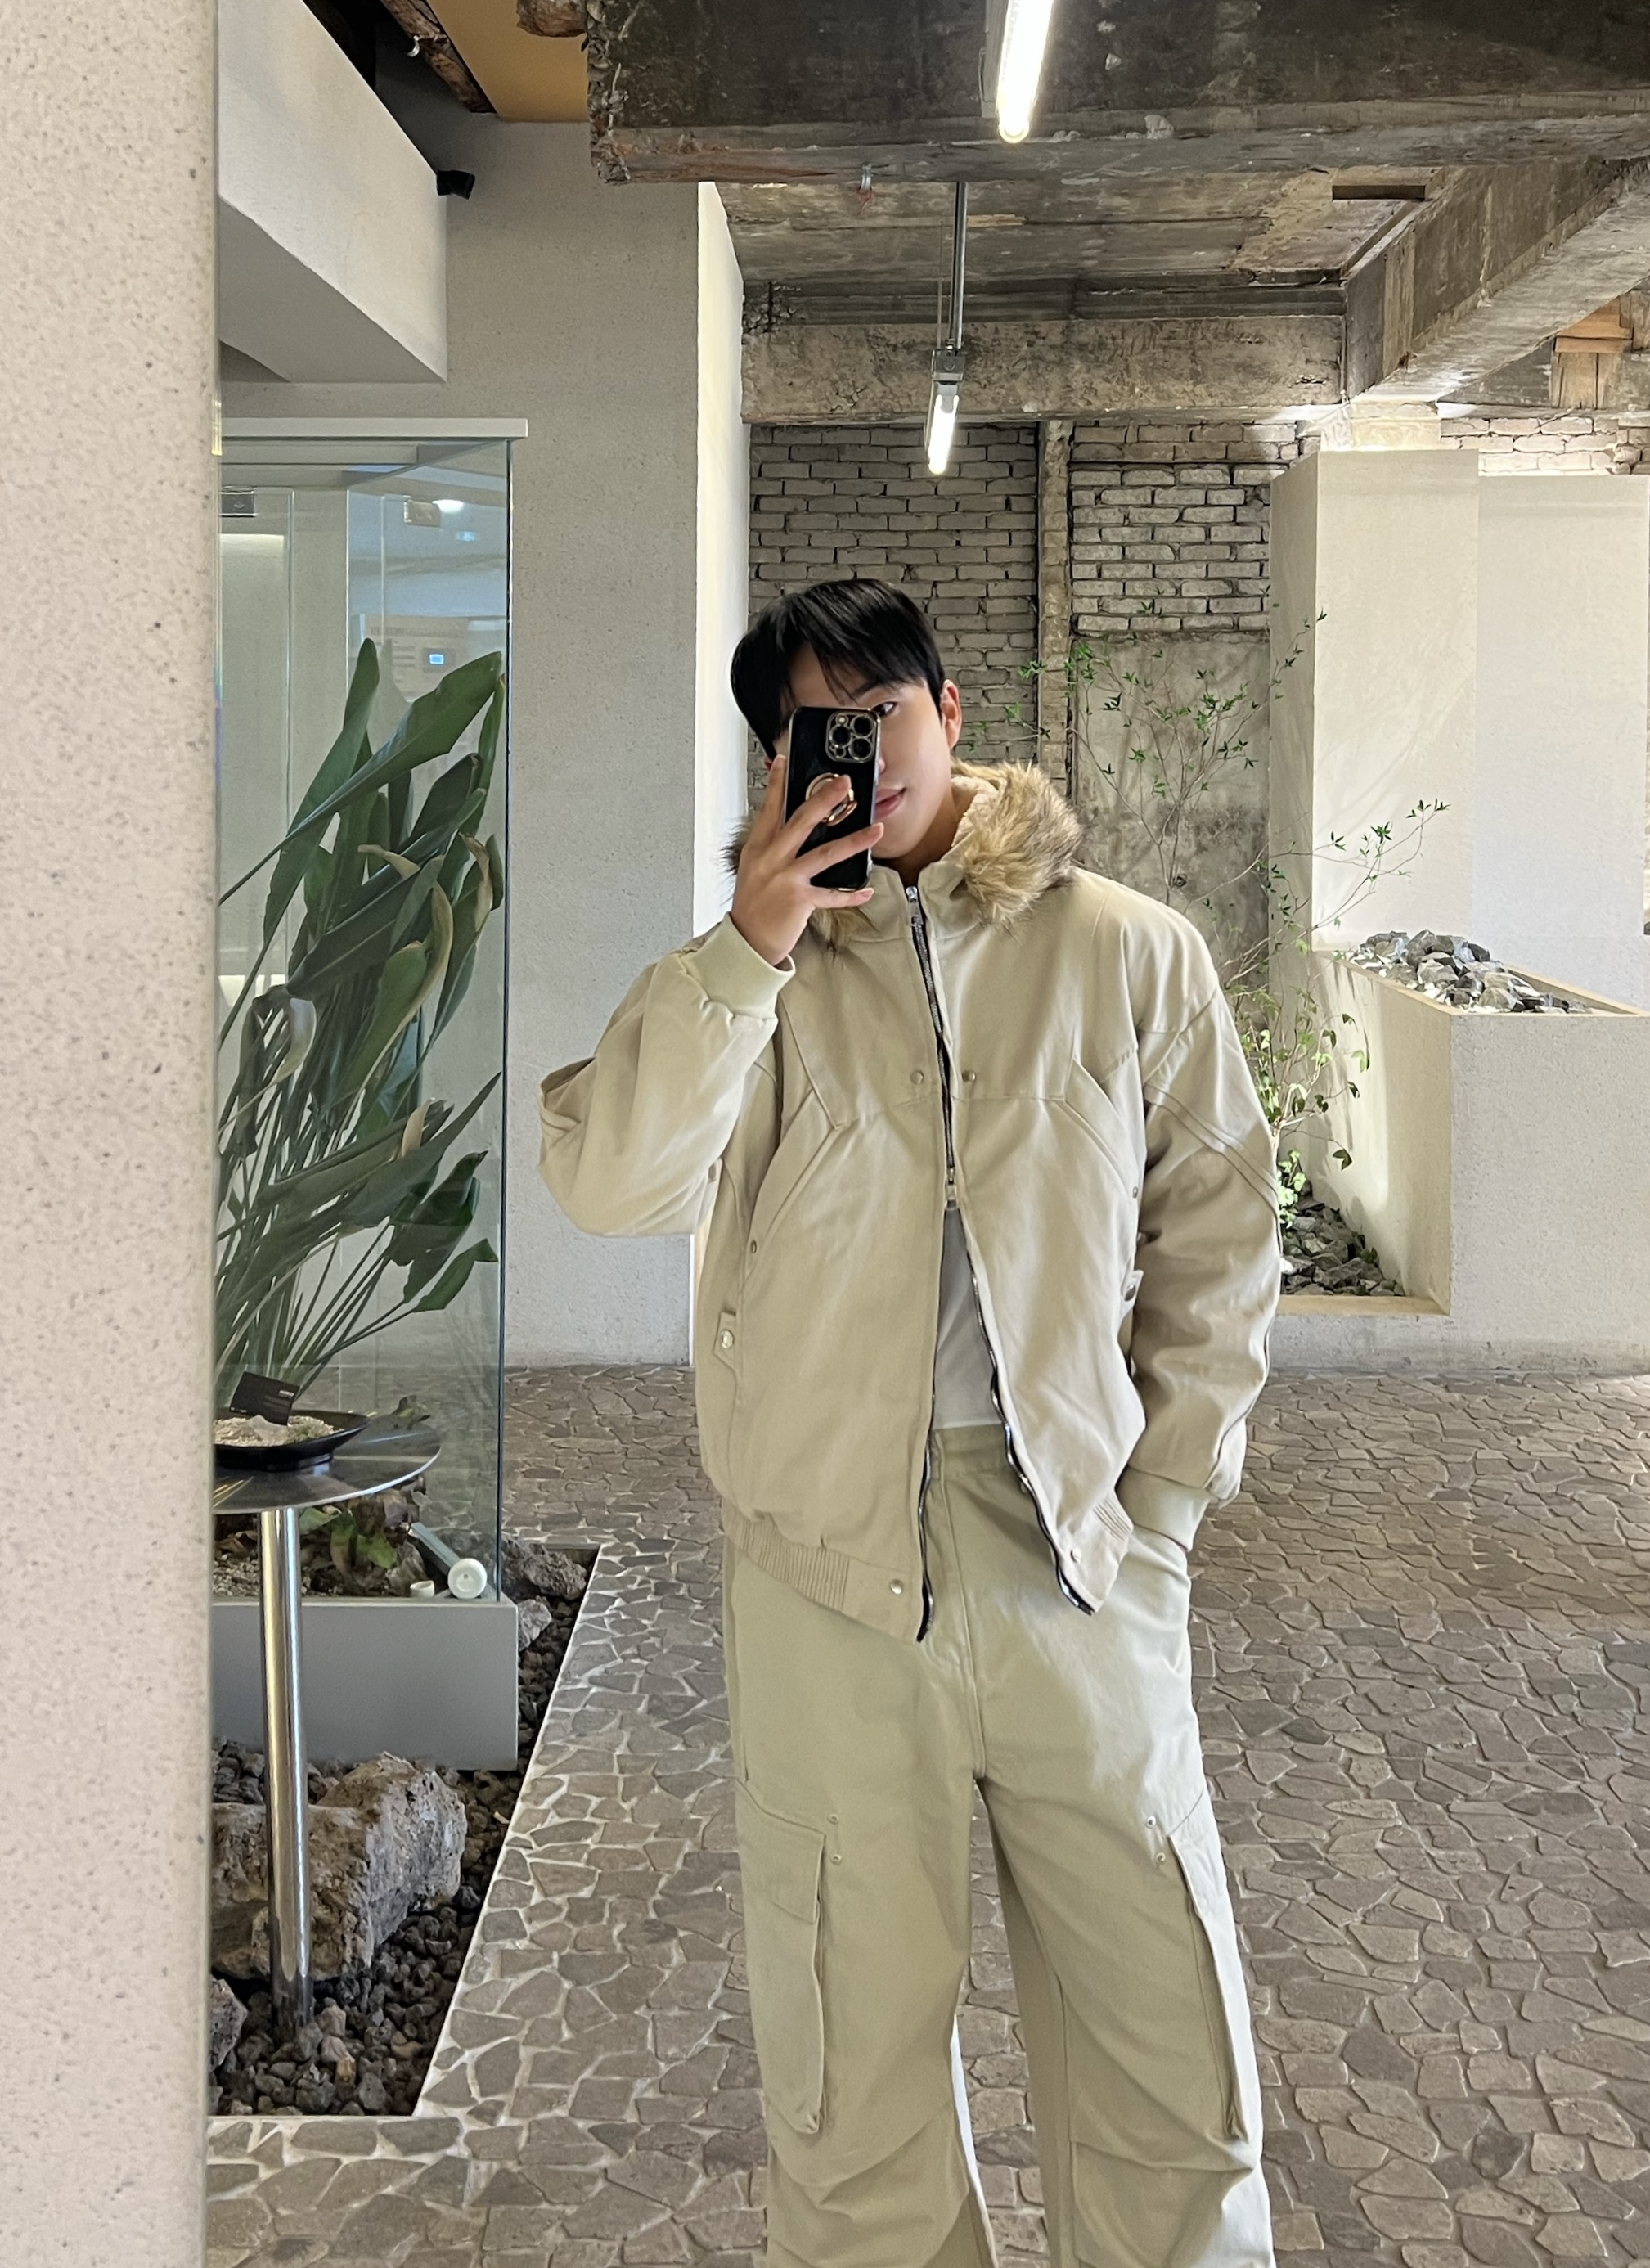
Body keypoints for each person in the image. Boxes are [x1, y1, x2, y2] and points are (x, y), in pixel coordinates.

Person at [539, 578, 1281, 2268]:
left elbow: (1222, 1241)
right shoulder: (754, 974)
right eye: (817, 732)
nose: (858, 759)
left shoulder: (1125, 950)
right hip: (824, 1577)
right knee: (848, 2077)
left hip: (1076, 1554)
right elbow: (609, 1184)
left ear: (949, 712)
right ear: (776, 759)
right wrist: (749, 947)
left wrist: (1163, 1508)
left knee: (1166, 2044)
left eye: (879, 717)